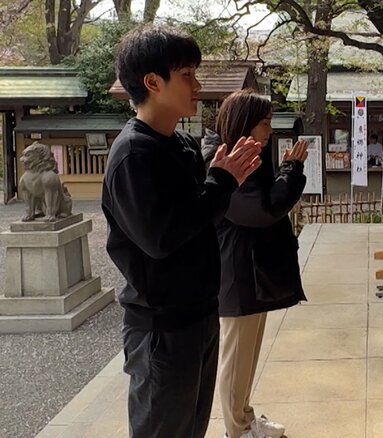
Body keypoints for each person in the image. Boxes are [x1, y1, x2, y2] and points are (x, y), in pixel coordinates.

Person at [102, 25, 261, 438]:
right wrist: (221, 182)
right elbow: (161, 237)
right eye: (187, 74)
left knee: (190, 428)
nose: (198, 84)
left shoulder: (184, 145)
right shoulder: (134, 154)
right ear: (153, 83)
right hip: (162, 328)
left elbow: (203, 213)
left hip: (200, 315)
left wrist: (224, 183)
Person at [202, 89, 309, 438]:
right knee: (235, 361)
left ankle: (245, 419)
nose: (270, 130)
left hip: (251, 268)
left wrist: (287, 170)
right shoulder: (227, 158)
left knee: (245, 356)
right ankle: (237, 430)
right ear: (245, 123)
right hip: (238, 271)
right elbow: (261, 211)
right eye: (265, 123)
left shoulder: (247, 153)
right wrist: (291, 171)